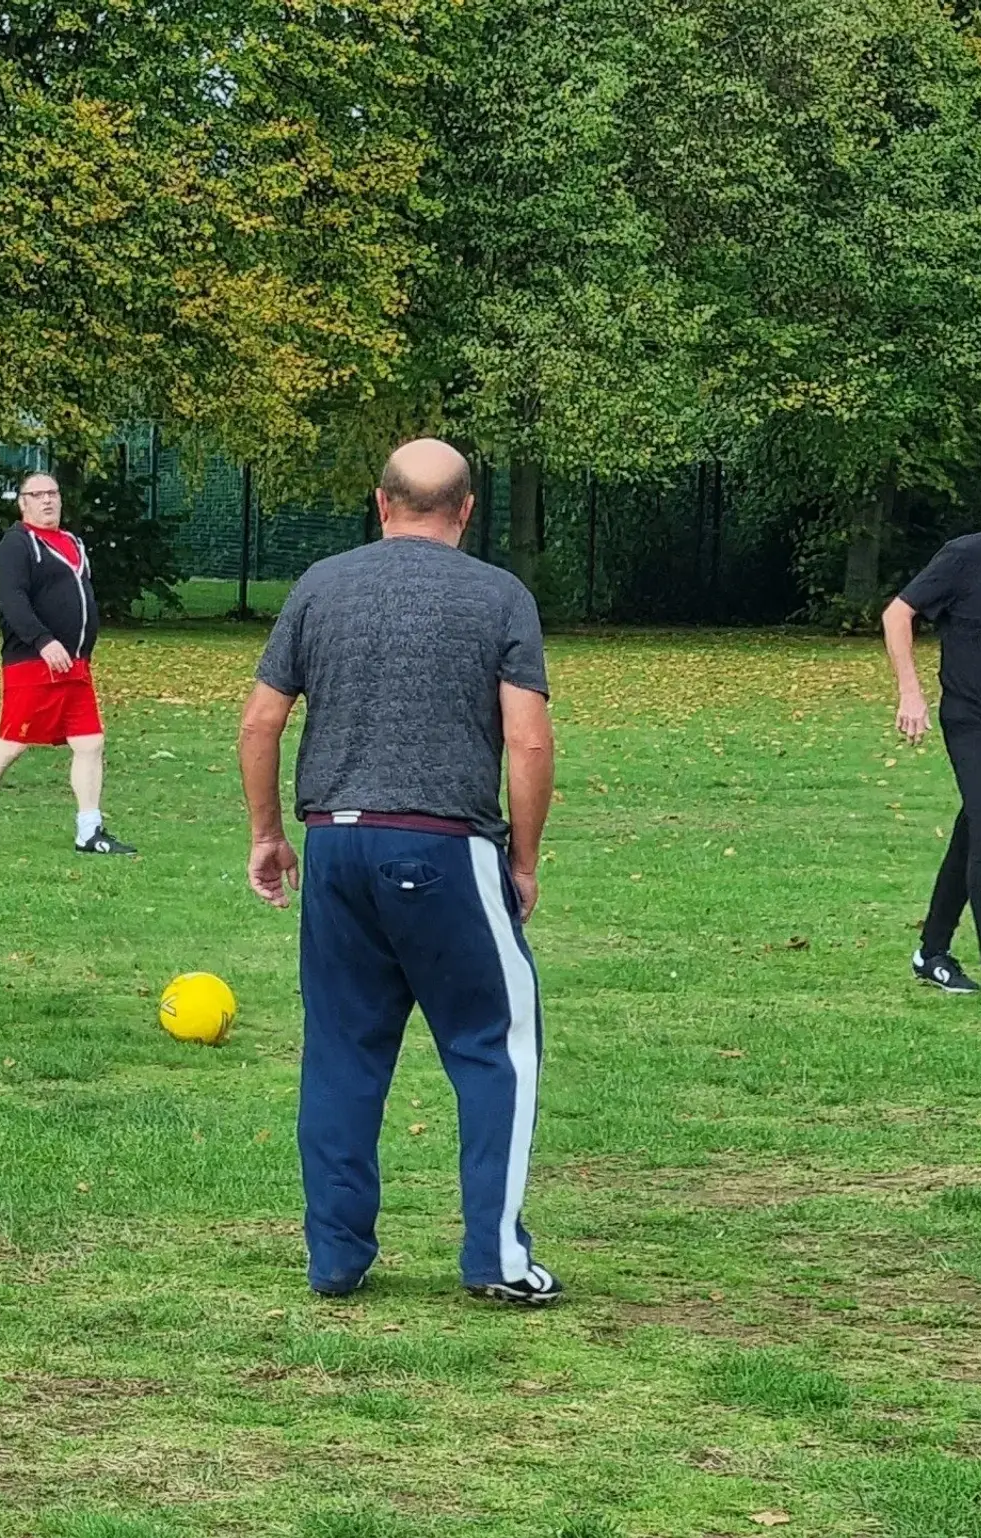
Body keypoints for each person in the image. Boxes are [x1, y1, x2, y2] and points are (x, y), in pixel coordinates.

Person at [237, 438, 560, 1306]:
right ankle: (496, 1257)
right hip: (446, 846)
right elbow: (527, 738)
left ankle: (336, 1258)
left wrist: (269, 835)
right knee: (497, 1047)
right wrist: (522, 859)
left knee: (341, 1055)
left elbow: (260, 723)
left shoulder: (319, 586)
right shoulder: (500, 595)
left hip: (336, 845)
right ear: (464, 511)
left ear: (380, 506)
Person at [0, 470, 135, 855]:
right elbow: (13, 601)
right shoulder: (18, 545)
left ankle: (89, 829)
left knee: (90, 742)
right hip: (32, 664)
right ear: (23, 503)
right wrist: (43, 641)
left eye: (53, 493)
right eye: (37, 495)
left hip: (75, 666)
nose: (47, 500)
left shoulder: (72, 543)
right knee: (13, 742)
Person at [884, 536, 981, 993]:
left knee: (973, 828)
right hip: (971, 719)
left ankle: (931, 952)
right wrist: (911, 692)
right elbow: (897, 614)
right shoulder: (965, 557)